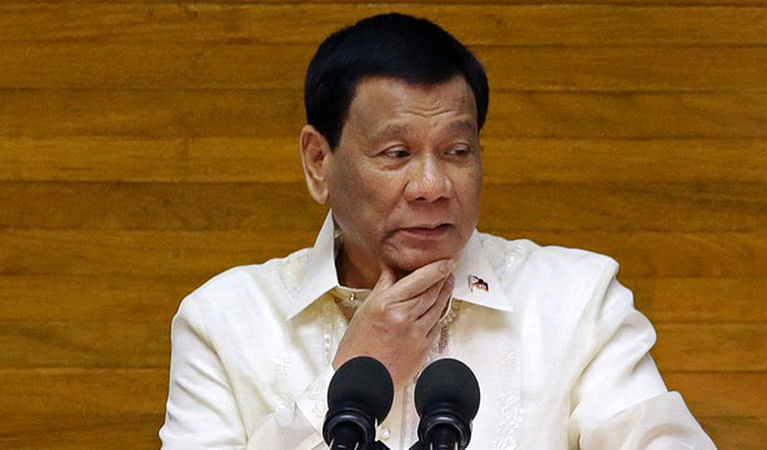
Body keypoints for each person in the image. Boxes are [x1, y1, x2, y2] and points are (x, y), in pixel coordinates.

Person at [159, 13, 716, 450]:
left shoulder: (577, 302)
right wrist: (352, 375)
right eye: (396, 153)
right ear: (317, 162)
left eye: (456, 151)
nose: (432, 184)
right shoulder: (225, 321)